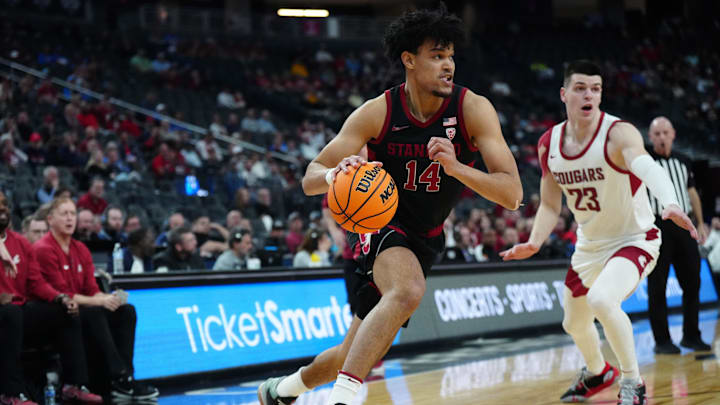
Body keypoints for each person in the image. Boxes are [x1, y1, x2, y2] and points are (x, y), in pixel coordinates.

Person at [257, 5, 522, 405]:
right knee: (408, 288)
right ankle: (344, 399)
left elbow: (513, 194)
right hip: (379, 220)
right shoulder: (377, 112)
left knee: (354, 352)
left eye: (450, 55)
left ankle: (282, 389)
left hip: (427, 236)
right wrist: (336, 173)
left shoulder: (472, 109)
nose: (448, 64)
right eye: (437, 56)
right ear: (409, 60)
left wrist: (456, 167)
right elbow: (310, 177)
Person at [500, 60, 699, 405]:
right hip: (589, 247)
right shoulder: (550, 143)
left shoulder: (618, 133)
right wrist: (534, 241)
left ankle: (633, 384)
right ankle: (597, 371)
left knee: (602, 300)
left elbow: (647, 166)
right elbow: (549, 205)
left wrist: (668, 201)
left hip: (634, 240)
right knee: (573, 323)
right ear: (564, 94)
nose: (589, 94)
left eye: (595, 88)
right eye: (580, 88)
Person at [34, 197, 159, 401]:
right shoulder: (43, 249)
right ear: (50, 219)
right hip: (58, 312)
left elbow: (91, 289)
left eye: (72, 214)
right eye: (64, 214)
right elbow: (61, 293)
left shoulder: (81, 249)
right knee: (93, 311)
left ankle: (126, 376)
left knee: (126, 311)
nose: (69, 219)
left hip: (84, 307)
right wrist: (99, 301)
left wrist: (108, 298)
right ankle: (117, 376)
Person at [0, 191, 103, 405]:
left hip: (20, 312)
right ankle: (11, 393)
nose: (2, 209)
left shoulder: (21, 243)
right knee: (10, 312)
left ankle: (74, 385)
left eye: (4, 204)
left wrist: (61, 298)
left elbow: (36, 283)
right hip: (6, 314)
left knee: (66, 309)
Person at [645, 116, 711, 354]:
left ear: (673, 134)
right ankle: (662, 341)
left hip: (683, 226)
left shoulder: (684, 161)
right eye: (657, 134)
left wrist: (701, 222)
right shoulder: (643, 160)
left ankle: (691, 336)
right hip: (655, 225)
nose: (662, 137)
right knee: (657, 285)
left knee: (693, 281)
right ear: (650, 137)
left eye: (665, 132)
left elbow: (692, 193)